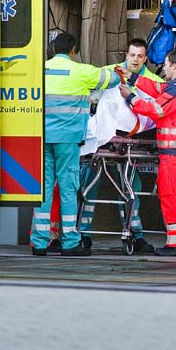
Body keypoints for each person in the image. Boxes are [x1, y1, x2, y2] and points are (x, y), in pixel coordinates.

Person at [31, 32, 119, 256]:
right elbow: (112, 79)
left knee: (44, 189)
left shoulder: (39, 70)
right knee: (69, 189)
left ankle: (39, 243)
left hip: (43, 137)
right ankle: (70, 242)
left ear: (53, 50)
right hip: (68, 140)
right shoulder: (81, 71)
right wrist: (121, 68)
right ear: (73, 51)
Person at [78, 38, 161, 253]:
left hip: (129, 136)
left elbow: (158, 104)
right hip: (104, 134)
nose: (135, 59)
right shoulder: (108, 72)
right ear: (126, 55)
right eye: (132, 55)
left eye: (140, 56)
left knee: (132, 188)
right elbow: (88, 91)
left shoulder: (152, 80)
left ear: (145, 58)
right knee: (89, 185)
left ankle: (136, 235)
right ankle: (84, 235)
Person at [117, 49, 176, 256]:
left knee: (169, 194)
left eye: (166, 65)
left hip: (172, 152)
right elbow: (157, 88)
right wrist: (132, 77)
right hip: (174, 151)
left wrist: (130, 97)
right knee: (172, 194)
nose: (164, 68)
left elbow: (155, 109)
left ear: (175, 67)